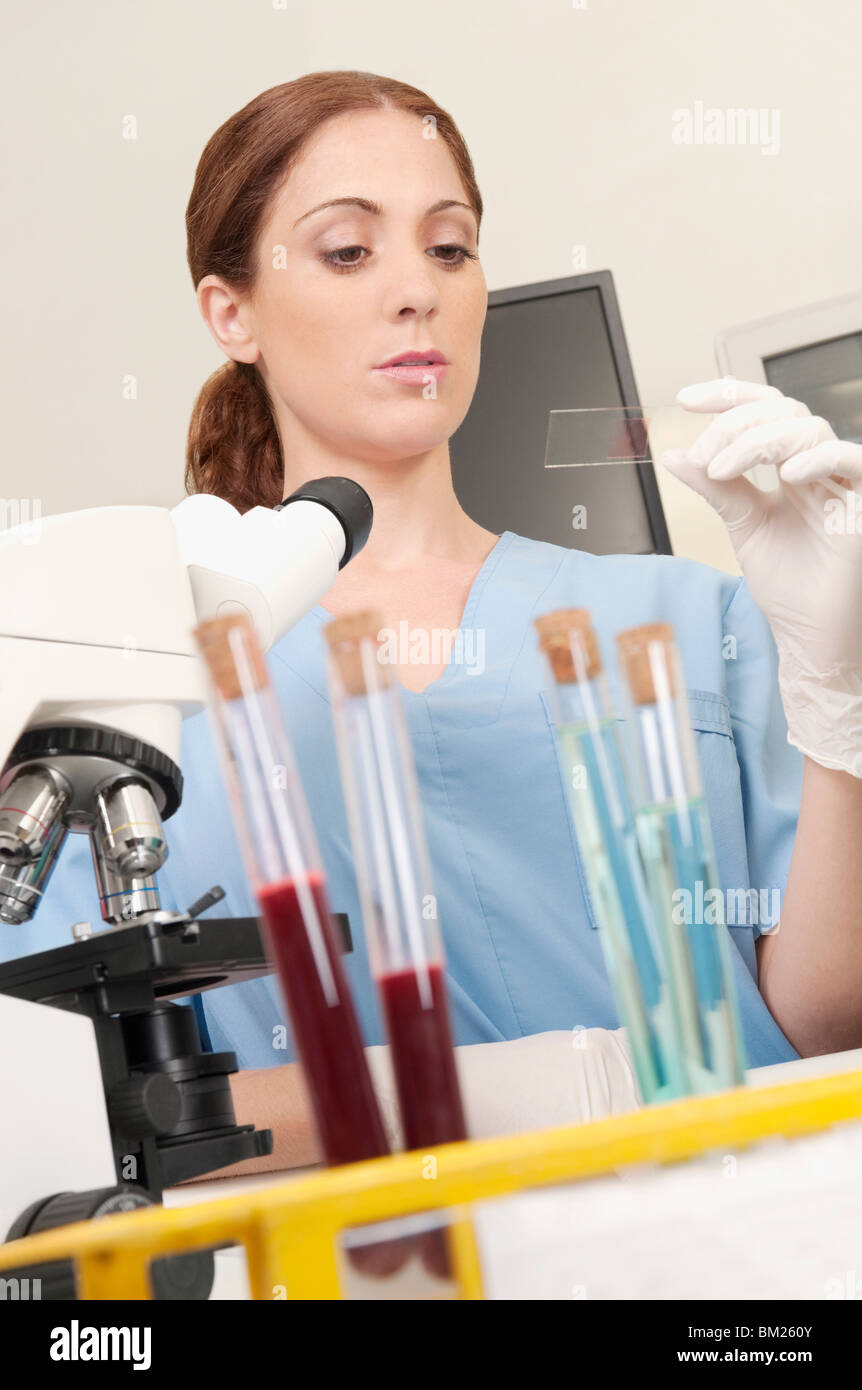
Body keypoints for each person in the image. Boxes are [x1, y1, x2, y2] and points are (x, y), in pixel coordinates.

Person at [22, 71, 862, 1172]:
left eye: (449, 247)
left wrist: (840, 694)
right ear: (231, 311)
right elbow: (86, 1106)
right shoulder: (136, 680)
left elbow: (823, 1027)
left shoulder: (690, 620)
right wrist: (547, 1092)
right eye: (347, 251)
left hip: (717, 1265)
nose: (414, 290)